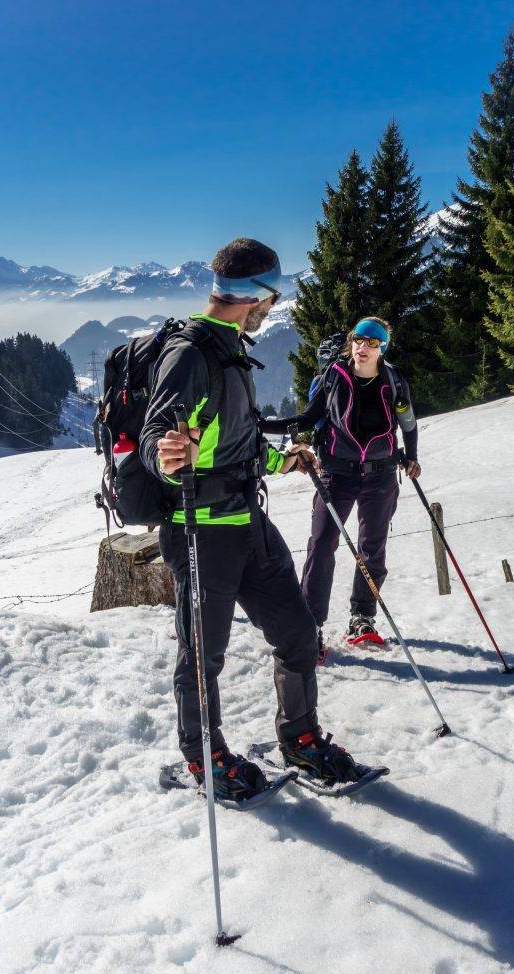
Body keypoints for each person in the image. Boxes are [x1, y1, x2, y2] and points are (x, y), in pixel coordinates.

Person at [139, 238, 367, 800]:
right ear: (255, 297)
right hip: (200, 532)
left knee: (296, 631)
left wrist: (281, 458)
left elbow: (233, 440)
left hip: (249, 525)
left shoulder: (233, 350)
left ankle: (299, 737)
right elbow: (156, 435)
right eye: (273, 297)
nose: (274, 308)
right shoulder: (190, 354)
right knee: (202, 656)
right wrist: (168, 456)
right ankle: (204, 759)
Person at [267, 316, 420, 659]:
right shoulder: (333, 378)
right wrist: (261, 424)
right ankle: (311, 626)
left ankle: (362, 618)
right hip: (337, 474)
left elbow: (408, 424)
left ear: (383, 349)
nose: (362, 347)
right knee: (322, 545)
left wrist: (411, 457)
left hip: (380, 475)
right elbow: (307, 419)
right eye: (358, 340)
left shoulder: (394, 381)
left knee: (372, 548)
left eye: (372, 343)